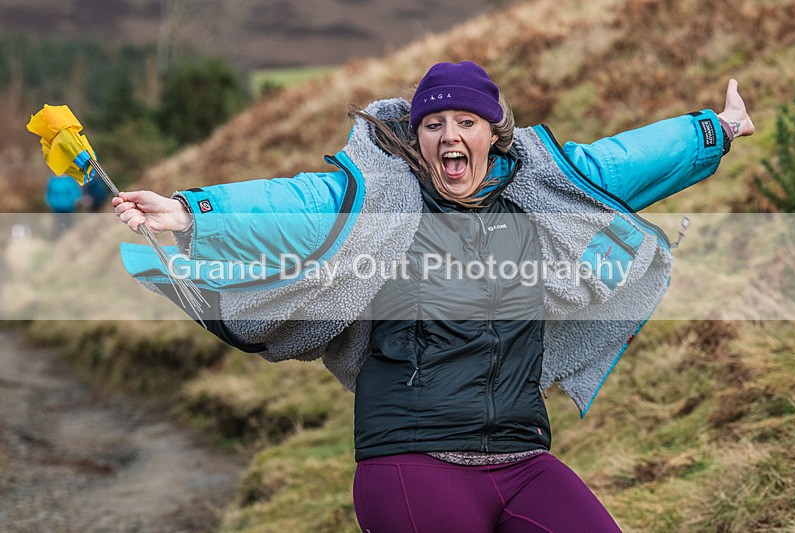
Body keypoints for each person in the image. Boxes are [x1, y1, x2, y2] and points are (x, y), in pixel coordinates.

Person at [113, 61, 754, 531]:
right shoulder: (381, 202)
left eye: (466, 121)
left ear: (492, 134)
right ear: (417, 138)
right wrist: (190, 211)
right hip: (412, 462)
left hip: (522, 456)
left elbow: (622, 162)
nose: (450, 134)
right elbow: (289, 203)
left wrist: (716, 130)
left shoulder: (538, 192)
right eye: (434, 124)